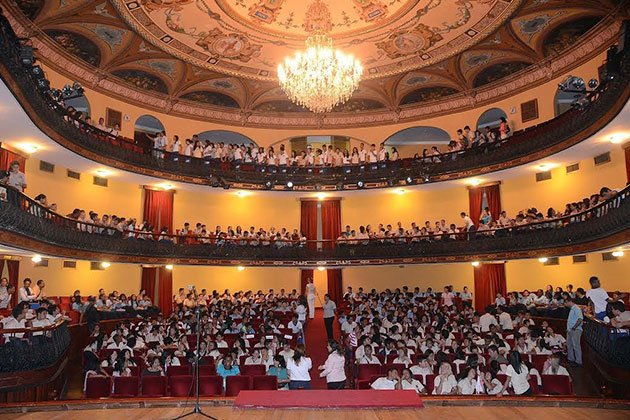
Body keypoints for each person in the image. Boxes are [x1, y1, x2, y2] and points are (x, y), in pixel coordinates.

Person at [565, 296, 583, 366]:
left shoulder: (576, 309)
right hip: (570, 330)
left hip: (575, 330)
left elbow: (580, 319)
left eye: (566, 302)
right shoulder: (572, 309)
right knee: (569, 345)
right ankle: (570, 359)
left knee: (576, 345)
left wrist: (574, 327)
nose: (565, 304)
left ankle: (578, 361)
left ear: (570, 302)